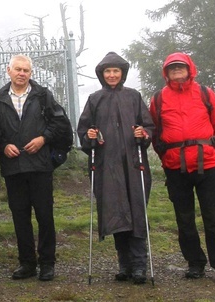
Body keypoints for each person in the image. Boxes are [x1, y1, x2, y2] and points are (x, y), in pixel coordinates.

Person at [149, 52, 215, 283]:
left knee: (214, 217)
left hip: (208, 165)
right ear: (166, 73)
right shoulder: (158, 98)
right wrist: (165, 156)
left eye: (180, 67)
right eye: (172, 68)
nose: (177, 71)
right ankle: (195, 263)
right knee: (184, 219)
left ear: (189, 69)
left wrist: (214, 151)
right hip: (175, 168)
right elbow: (154, 132)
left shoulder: (205, 93)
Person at [77, 51, 154, 284]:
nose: (112, 75)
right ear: (102, 74)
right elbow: (84, 130)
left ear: (122, 74)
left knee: (136, 211)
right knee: (116, 213)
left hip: (133, 163)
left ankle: (140, 265)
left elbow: (148, 126)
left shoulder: (133, 96)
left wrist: (144, 133)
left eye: (116, 71)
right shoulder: (94, 99)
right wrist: (89, 135)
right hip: (107, 166)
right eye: (108, 71)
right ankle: (125, 264)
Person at [0, 54, 57, 282]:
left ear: (31, 74)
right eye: (18, 69)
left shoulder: (42, 96)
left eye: (26, 71)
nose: (21, 74)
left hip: (40, 166)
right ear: (8, 70)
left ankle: (47, 262)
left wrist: (43, 139)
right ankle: (27, 262)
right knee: (20, 217)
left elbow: (59, 124)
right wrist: (2, 146)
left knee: (44, 215)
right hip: (14, 167)